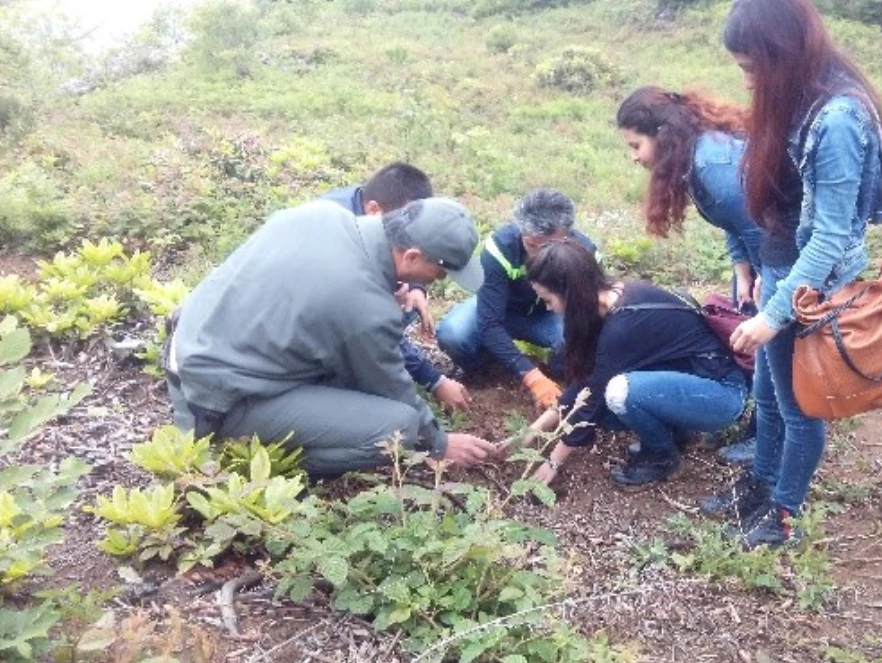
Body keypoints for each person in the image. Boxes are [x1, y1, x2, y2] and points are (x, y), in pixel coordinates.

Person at [701, 0, 882, 547]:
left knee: (799, 404)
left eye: (751, 66)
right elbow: (787, 208)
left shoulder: (837, 119)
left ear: (782, 54)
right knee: (768, 394)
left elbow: (831, 235)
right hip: (785, 266)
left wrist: (774, 313)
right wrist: (765, 267)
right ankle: (761, 485)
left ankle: (785, 513)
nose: (748, 80)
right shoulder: (802, 96)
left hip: (811, 287)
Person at [164, 198, 499, 477]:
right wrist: (438, 445)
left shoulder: (321, 214)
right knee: (402, 428)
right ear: (411, 256)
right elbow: (391, 386)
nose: (439, 281)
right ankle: (252, 462)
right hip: (215, 399)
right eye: (440, 272)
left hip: (191, 342)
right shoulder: (364, 306)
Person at [517, 240, 748, 488]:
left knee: (618, 393)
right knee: (608, 403)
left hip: (720, 395)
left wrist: (554, 461)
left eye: (548, 299)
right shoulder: (612, 299)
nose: (547, 307)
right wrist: (533, 431)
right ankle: (677, 433)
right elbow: (588, 379)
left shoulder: (623, 326)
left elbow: (591, 397)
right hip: (688, 381)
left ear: (570, 293)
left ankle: (661, 457)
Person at [616, 85, 762, 465]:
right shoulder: (694, 160)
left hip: (782, 253)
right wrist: (741, 268)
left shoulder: (712, 164)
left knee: (775, 346)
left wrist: (769, 276)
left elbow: (762, 222)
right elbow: (734, 220)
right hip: (762, 251)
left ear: (662, 136)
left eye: (635, 146)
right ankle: (742, 414)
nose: (634, 157)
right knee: (746, 331)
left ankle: (765, 436)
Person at [318, 162, 470, 413]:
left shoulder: (377, 212)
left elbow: (412, 246)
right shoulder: (339, 244)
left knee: (407, 305)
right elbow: (372, 324)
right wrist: (434, 380)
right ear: (374, 210)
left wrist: (417, 287)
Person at [436, 188, 596, 409]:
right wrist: (531, 376)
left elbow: (587, 319)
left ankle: (558, 378)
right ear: (521, 231)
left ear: (567, 235)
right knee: (454, 334)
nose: (540, 255)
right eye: (531, 245)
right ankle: (489, 370)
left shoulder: (585, 254)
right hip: (502, 310)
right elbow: (489, 322)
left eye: (550, 246)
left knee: (573, 337)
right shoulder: (500, 249)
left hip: (549, 316)